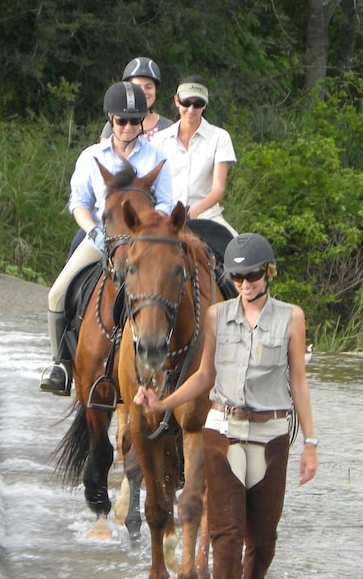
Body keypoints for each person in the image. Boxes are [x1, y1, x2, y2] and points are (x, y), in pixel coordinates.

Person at [134, 232, 317, 579]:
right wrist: (163, 404)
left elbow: (299, 383)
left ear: (268, 273)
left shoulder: (292, 317)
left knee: (263, 538)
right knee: (225, 531)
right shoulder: (217, 316)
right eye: (236, 277)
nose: (245, 284)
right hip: (224, 431)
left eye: (252, 275)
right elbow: (203, 377)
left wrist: (311, 443)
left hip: (270, 435)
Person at [40, 81, 173, 395]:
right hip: (103, 237)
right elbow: (79, 202)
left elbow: (166, 202)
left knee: (170, 288)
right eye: (121, 120)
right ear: (110, 119)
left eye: (135, 121)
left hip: (144, 240)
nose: (128, 127)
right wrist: (92, 230)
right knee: (57, 294)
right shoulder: (90, 157)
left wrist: (149, 230)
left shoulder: (156, 157)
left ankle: (174, 360)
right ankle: (60, 363)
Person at [151, 75, 237, 239]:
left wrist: (195, 211)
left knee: (239, 251)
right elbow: (153, 185)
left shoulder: (219, 137)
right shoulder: (159, 140)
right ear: (177, 101)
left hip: (207, 215)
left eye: (197, 104)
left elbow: (218, 188)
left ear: (204, 105)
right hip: (166, 214)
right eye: (186, 103)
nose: (191, 109)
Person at [100, 57, 174, 142]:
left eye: (148, 87)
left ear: (156, 90)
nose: (143, 92)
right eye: (137, 87)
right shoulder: (115, 125)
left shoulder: (168, 127)